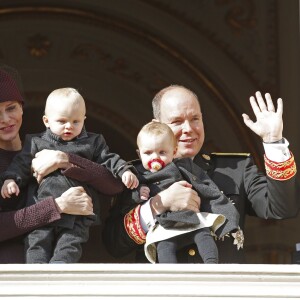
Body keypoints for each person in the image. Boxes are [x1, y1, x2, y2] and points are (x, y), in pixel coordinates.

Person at [103, 84, 298, 263]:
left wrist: (273, 141)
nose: (189, 129)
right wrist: (157, 205)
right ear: (158, 124)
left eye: (195, 119)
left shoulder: (235, 169)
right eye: (177, 121)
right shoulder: (134, 175)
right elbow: (114, 244)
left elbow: (282, 208)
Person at [1, 86, 138, 264]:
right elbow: (21, 165)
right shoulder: (35, 142)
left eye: (76, 122)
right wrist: (11, 180)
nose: (69, 127)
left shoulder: (92, 142)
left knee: (69, 246)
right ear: (46, 121)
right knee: (37, 245)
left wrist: (123, 170)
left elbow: (110, 169)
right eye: (62, 121)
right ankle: (37, 273)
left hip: (78, 216)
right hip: (41, 212)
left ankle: (59, 272)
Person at [132, 121, 241, 264]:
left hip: (190, 217)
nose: (155, 157)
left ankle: (212, 265)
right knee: (164, 246)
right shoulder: (137, 175)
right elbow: (131, 199)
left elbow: (207, 188)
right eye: (148, 153)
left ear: (174, 151)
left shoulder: (184, 167)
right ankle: (171, 277)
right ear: (139, 154)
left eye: (162, 152)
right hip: (164, 223)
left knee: (203, 235)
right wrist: (140, 193)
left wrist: (227, 215)